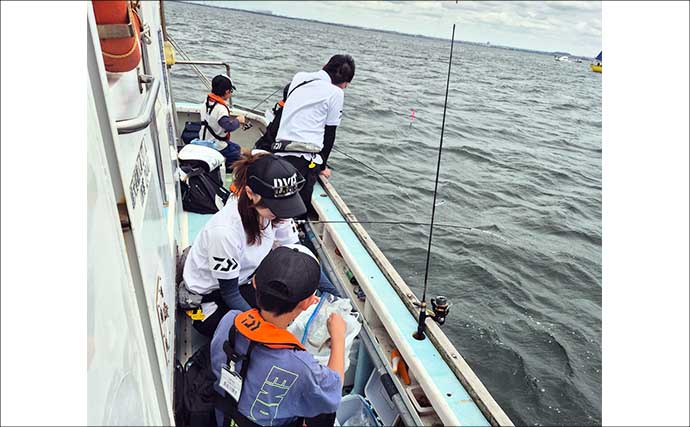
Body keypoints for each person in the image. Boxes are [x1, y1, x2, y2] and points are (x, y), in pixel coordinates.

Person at [178, 153, 338, 337]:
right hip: (211, 301)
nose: (283, 213)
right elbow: (230, 294)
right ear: (250, 193)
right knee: (266, 332)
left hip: (244, 281)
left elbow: (301, 255)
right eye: (276, 207)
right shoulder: (225, 232)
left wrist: (333, 295)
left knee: (292, 307)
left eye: (287, 205)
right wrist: (268, 331)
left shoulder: (275, 211)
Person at [211, 245, 345, 427]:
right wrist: (338, 337)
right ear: (308, 303)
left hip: (224, 415)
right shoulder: (300, 365)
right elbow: (333, 392)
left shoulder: (230, 320)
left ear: (255, 282)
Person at [270, 54, 355, 219]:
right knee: (298, 211)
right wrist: (323, 167)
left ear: (326, 66)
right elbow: (330, 134)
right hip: (304, 159)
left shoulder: (299, 77)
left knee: (277, 205)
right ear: (344, 82)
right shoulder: (336, 93)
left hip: (279, 150)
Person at [198, 74, 246, 169]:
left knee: (236, 147)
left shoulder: (206, 103)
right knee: (238, 156)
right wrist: (238, 120)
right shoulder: (221, 109)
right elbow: (228, 126)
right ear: (227, 91)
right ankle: (227, 170)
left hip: (204, 140)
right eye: (231, 91)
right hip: (216, 144)